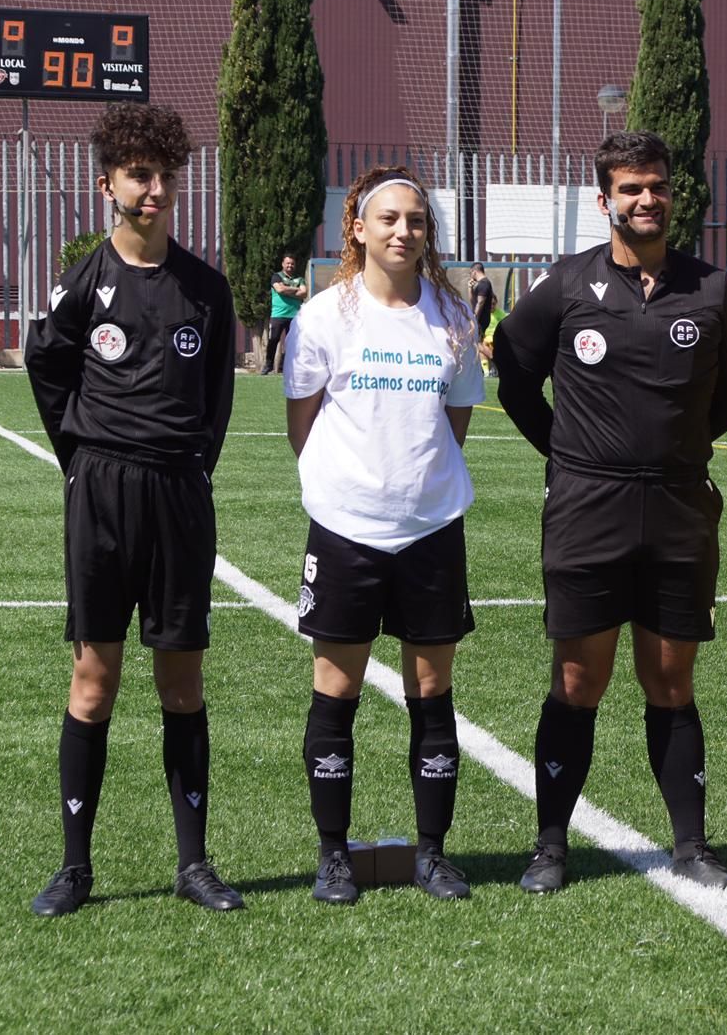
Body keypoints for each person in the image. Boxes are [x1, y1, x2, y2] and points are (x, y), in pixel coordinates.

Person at [494, 131, 727, 893]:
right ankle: (549, 846)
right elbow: (513, 375)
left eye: (658, 187)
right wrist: (565, 451)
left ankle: (692, 844)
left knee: (671, 678)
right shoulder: (567, 285)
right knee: (578, 679)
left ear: (673, 195)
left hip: (679, 508)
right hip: (587, 507)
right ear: (604, 199)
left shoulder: (713, 291)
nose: (647, 200)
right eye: (632, 189)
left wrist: (682, 444)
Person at [23, 102, 241, 917]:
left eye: (165, 176)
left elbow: (216, 398)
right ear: (109, 181)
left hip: (179, 494)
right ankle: (75, 869)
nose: (154, 190)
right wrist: (78, 459)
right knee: (94, 678)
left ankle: (194, 866)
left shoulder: (206, 290)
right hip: (103, 492)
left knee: (181, 681)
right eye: (139, 176)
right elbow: (47, 370)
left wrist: (192, 470)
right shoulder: (82, 282)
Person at [285, 165, 485, 904]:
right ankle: (333, 853)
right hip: (345, 530)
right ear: (359, 229)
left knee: (432, 693)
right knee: (335, 692)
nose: (405, 231)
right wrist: (353, 491)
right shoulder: (323, 318)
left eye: (418, 221)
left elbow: (452, 424)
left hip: (431, 529)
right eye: (390, 219)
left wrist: (415, 488)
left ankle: (432, 853)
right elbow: (301, 428)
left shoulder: (453, 318)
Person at [264, 254, 307, 375]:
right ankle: (268, 365)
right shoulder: (276, 276)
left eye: (292, 263)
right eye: (288, 263)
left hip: (295, 316)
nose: (290, 265)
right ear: (283, 264)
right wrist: (294, 289)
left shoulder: (300, 278)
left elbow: (304, 293)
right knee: (273, 339)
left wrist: (286, 289)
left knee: (293, 343)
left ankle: (292, 367)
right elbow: (279, 290)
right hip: (278, 315)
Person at [468, 262, 496, 376]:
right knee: (474, 342)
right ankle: (477, 368)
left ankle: (497, 360)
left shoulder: (484, 283)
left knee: (477, 343)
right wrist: (470, 288)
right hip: (478, 318)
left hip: (481, 319)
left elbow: (480, 302)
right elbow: (473, 301)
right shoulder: (479, 284)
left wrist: (474, 317)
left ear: (475, 271)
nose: (471, 276)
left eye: (471, 273)